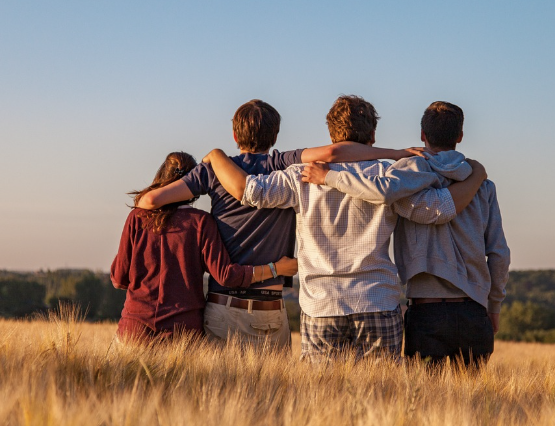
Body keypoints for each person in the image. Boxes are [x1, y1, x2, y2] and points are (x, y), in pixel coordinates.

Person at [203, 95, 487, 361]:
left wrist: (216, 156)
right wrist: (476, 176)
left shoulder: (300, 176)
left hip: (321, 305)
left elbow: (250, 191)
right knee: (382, 393)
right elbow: (437, 210)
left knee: (322, 393)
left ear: (331, 135)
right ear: (372, 136)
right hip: (377, 301)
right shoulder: (389, 177)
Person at [135, 99, 422, 347]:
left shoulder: (213, 170)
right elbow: (334, 153)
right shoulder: (282, 164)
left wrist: (211, 161)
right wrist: (395, 153)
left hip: (223, 304)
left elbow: (149, 201)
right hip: (270, 308)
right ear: (275, 135)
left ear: (234, 134)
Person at [303, 101, 510, 368]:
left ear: (423, 135)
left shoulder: (405, 176)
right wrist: (494, 306)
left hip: (426, 311)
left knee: (423, 393)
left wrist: (329, 177)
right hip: (474, 310)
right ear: (460, 136)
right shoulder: (483, 185)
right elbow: (499, 253)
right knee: (474, 395)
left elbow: (382, 191)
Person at [110, 151, 298, 343]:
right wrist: (276, 268)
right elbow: (226, 276)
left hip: (134, 329)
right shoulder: (201, 222)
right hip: (183, 333)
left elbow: (119, 279)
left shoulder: (137, 217)